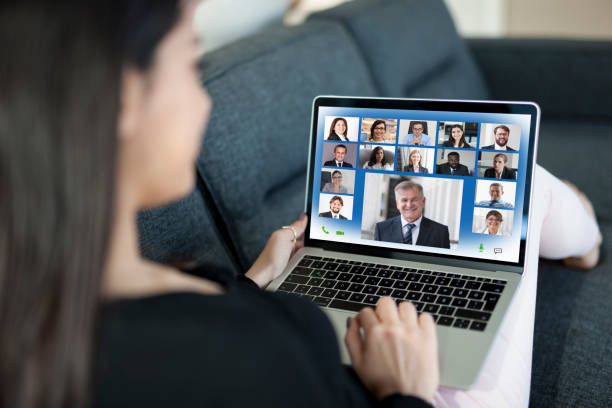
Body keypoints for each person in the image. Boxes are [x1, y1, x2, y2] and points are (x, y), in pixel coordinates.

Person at [1, 2, 603, 408]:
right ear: (122, 101)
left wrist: (256, 278)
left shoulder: (40, 317)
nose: (204, 102)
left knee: (528, 193)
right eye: (190, 62)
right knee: (532, 192)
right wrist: (405, 391)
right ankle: (584, 236)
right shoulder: (261, 356)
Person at [374, 181, 450, 249]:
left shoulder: (441, 232)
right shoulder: (381, 229)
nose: (409, 205)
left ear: (423, 202)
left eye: (414, 199)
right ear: (397, 204)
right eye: (404, 200)